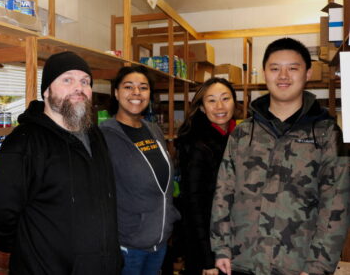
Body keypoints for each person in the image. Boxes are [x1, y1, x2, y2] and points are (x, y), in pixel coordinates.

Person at [210, 38, 350, 275]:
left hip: (297, 266)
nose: (283, 76)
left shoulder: (327, 134)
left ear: (307, 73)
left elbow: (336, 204)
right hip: (242, 262)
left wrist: (318, 266)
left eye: (292, 68)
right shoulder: (244, 132)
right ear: (265, 73)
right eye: (275, 68)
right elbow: (224, 192)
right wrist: (221, 248)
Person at [0, 51, 122, 275]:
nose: (79, 87)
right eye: (67, 80)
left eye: (85, 81)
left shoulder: (95, 135)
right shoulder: (25, 142)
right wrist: (31, 250)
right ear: (46, 91)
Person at [100, 66, 180, 275]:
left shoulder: (153, 130)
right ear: (116, 93)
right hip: (127, 247)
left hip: (159, 243)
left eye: (143, 87)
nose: (136, 92)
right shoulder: (103, 136)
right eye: (128, 87)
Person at [175, 77, 238, 275]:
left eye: (225, 98)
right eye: (211, 100)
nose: (220, 106)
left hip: (232, 242)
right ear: (202, 107)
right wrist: (208, 260)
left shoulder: (236, 136)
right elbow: (193, 205)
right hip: (207, 248)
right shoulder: (197, 144)